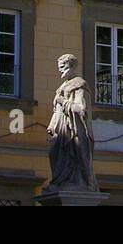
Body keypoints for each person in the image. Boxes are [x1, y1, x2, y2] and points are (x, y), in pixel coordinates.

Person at [44, 53, 98, 192]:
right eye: (59, 67)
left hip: (74, 130)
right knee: (53, 153)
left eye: (63, 66)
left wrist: (64, 102)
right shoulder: (62, 87)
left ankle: (80, 182)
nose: (60, 70)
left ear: (72, 66)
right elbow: (57, 111)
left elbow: (81, 110)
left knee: (77, 155)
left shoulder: (79, 85)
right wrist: (51, 126)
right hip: (61, 130)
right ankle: (61, 180)